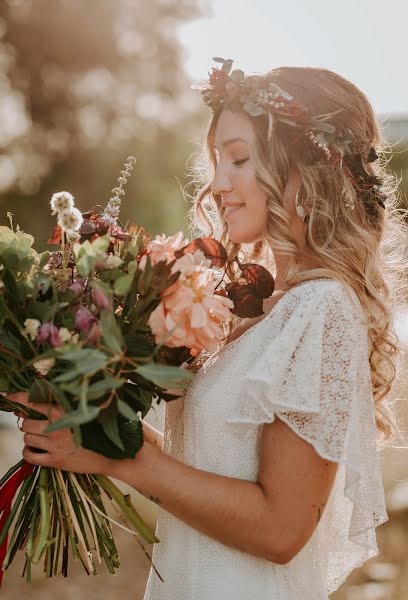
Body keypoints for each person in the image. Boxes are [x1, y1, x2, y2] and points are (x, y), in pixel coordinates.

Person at [12, 60, 408, 599]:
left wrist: (120, 458)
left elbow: (281, 530)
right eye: (218, 161)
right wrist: (91, 421)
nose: (218, 185)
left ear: (309, 171)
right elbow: (206, 470)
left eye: (240, 160)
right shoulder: (265, 309)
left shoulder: (323, 309)